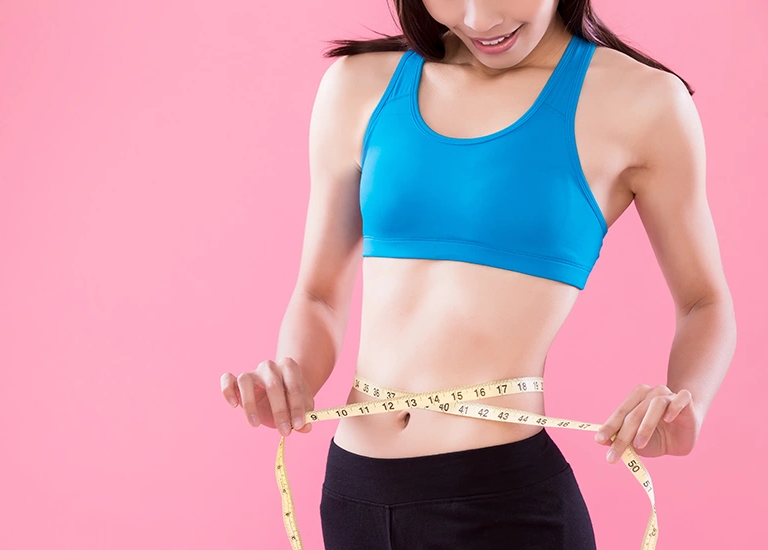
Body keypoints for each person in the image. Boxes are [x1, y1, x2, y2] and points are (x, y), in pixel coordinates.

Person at [219, 0, 737, 548]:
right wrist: (291, 379)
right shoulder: (358, 85)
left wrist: (689, 401)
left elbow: (704, 301)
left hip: (503, 502)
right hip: (355, 494)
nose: (477, 19)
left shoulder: (641, 102)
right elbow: (318, 295)